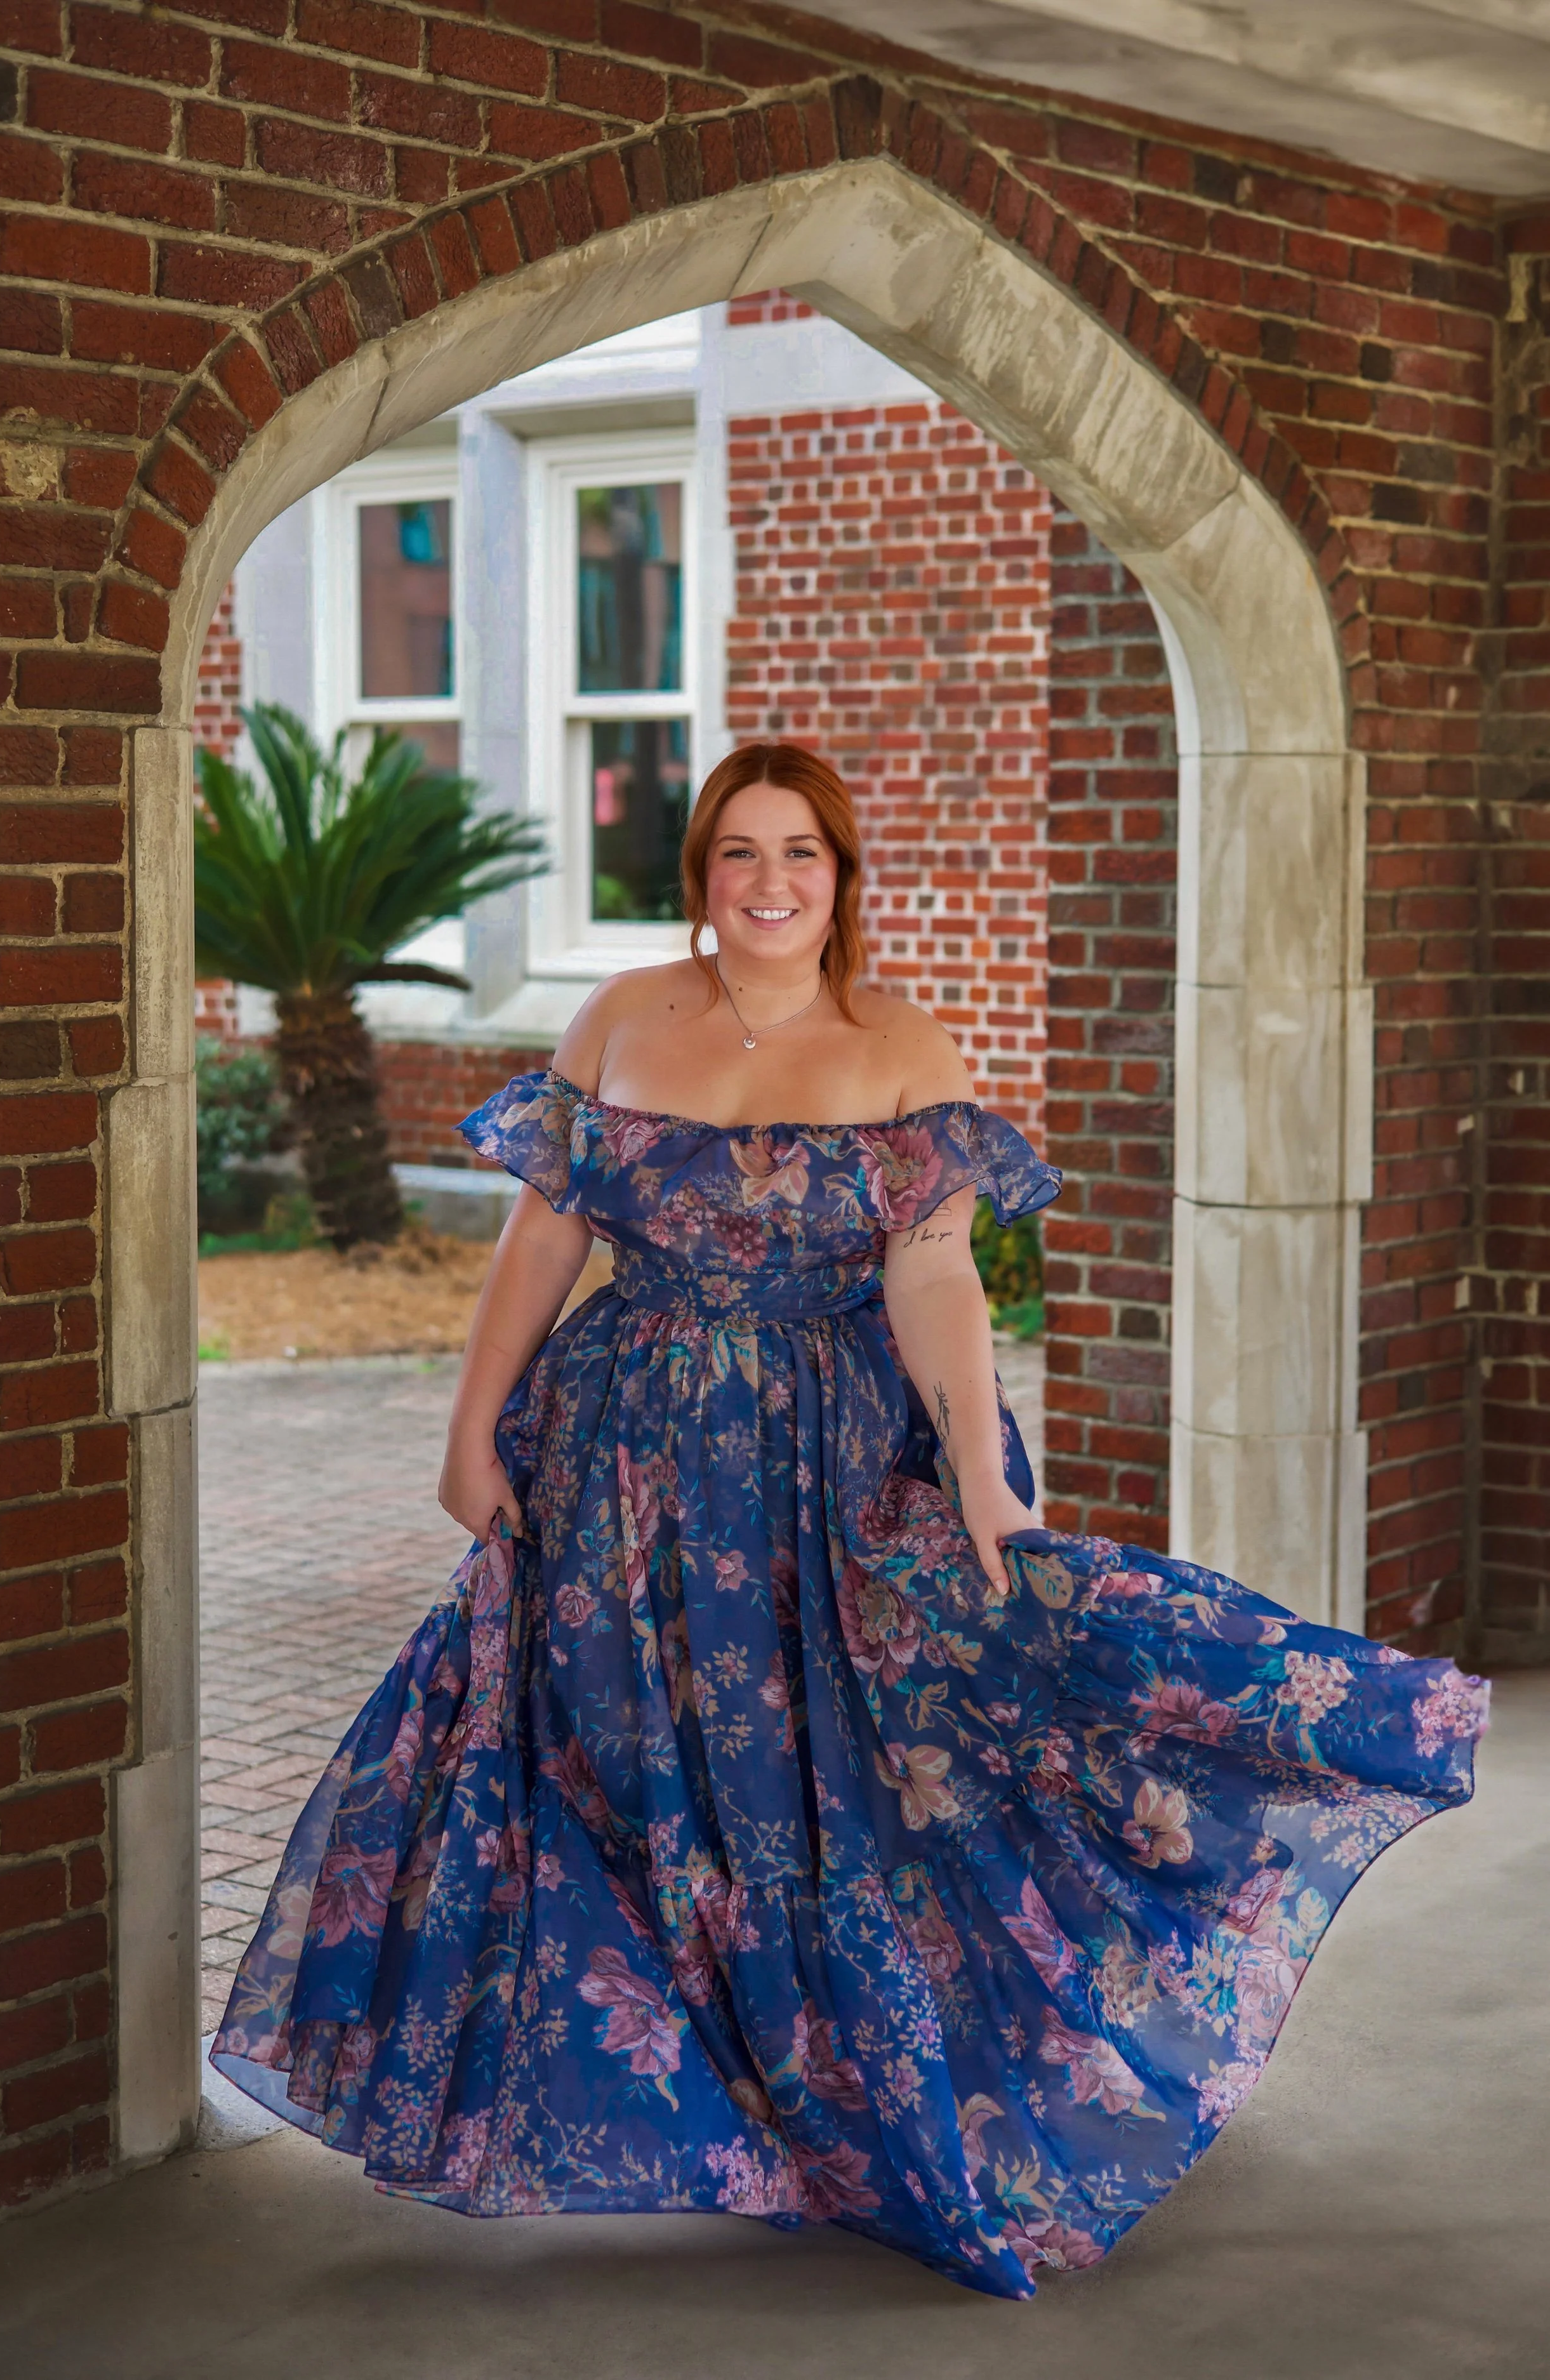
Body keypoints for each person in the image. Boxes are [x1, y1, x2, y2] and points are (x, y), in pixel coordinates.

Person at [211, 742, 1487, 2299]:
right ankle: (717, 2110)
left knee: (853, 1766)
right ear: (699, 876)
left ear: (840, 875)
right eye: (738, 854)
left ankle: (853, 2110)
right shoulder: (620, 1019)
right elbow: (542, 1243)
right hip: (622, 1459)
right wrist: (468, 1426)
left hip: (830, 1453)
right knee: (621, 1767)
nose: (767, 884)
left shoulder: (899, 1042)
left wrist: (977, 1476)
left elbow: (934, 1276)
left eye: (799, 855)